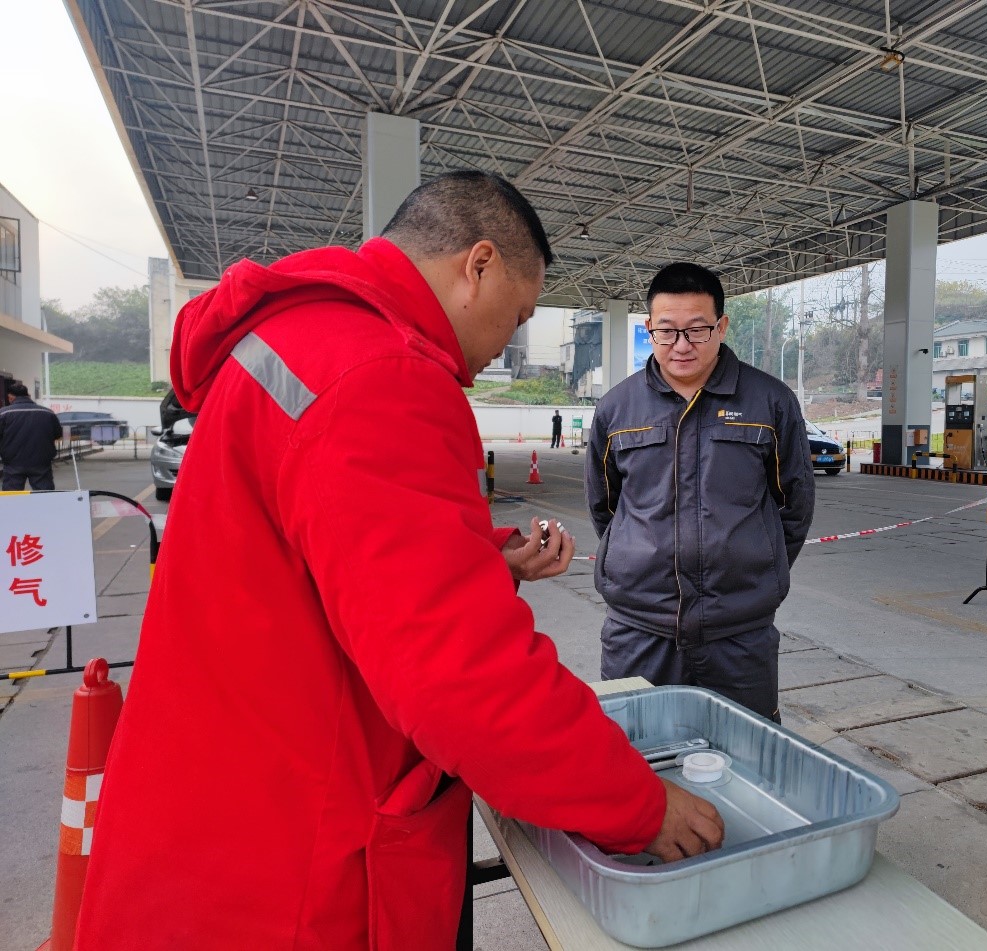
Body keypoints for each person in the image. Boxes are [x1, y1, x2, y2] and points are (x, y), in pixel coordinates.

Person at [77, 172, 723, 951]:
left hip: (209, 813)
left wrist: (483, 560)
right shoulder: (383, 373)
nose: (504, 343)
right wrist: (640, 804)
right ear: (477, 265)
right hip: (289, 870)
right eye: (518, 315)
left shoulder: (296, 337)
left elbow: (318, 557)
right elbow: (464, 677)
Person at [584, 262, 814, 722]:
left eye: (697, 330)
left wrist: (753, 563)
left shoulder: (770, 402)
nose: (682, 345)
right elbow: (605, 506)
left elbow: (794, 503)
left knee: (746, 751)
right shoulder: (616, 408)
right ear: (649, 328)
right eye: (667, 331)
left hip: (739, 634)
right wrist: (638, 558)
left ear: (721, 326)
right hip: (639, 631)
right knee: (636, 750)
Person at [0, 382, 62, 491]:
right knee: (44, 495)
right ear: (28, 395)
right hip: (41, 462)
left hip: (13, 463)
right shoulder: (48, 413)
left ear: (10, 397)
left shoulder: (3, 414)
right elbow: (58, 434)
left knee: (11, 497)